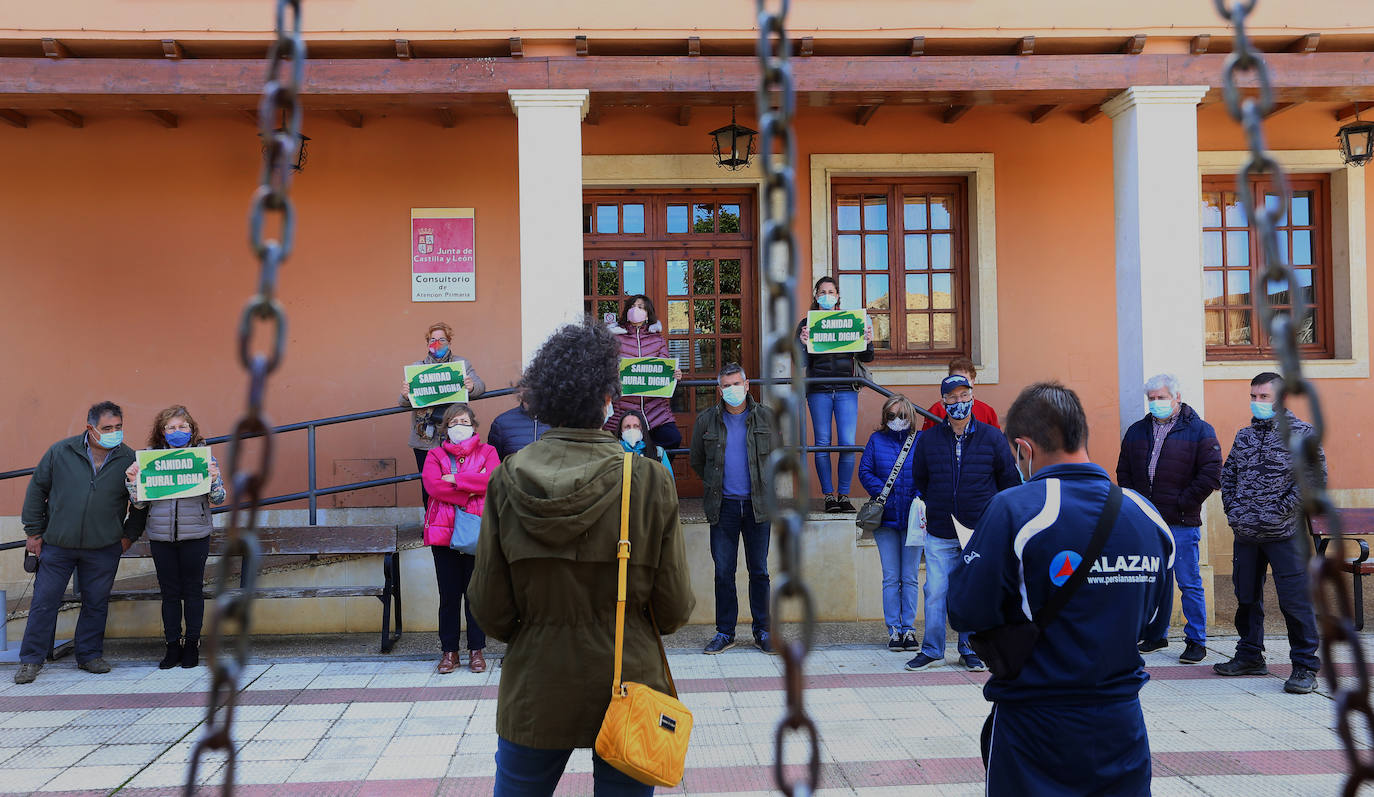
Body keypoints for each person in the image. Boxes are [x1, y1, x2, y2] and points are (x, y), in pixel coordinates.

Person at [469, 319, 694, 796]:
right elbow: (673, 608)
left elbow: (489, 607)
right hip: (625, 678)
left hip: (536, 679)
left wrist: (538, 629)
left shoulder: (506, 479)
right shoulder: (650, 480)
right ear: (608, 401)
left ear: (547, 399)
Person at [950, 382, 1175, 796]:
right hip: (1120, 726)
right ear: (1080, 436)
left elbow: (966, 610)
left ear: (1023, 450)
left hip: (1035, 726)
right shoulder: (1147, 516)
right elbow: (1154, 628)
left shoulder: (1015, 508)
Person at [15, 402, 148, 685]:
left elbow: (140, 504)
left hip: (104, 547)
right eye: (107, 428)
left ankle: (89, 655)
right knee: (43, 602)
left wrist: (127, 537)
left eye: (118, 427)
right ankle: (30, 660)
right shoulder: (61, 452)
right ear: (91, 429)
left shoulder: (131, 458)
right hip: (58, 545)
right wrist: (34, 533)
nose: (114, 433)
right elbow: (37, 490)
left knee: (96, 603)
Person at [1214, 372, 1325, 695]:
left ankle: (1304, 666)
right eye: (1253, 396)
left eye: (1264, 397)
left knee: (1295, 602)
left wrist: (1279, 511)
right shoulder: (1244, 436)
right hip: (1246, 532)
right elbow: (1229, 474)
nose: (1258, 403)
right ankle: (1250, 655)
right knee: (1246, 596)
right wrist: (1234, 510)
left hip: (1285, 533)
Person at [906, 374, 1020, 673]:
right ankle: (932, 650)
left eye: (964, 395)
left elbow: (1007, 479)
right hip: (941, 530)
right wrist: (935, 503)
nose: (960, 402)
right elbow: (920, 478)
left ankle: (970, 648)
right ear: (943, 401)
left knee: (974, 591)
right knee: (936, 591)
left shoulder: (993, 437)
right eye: (953, 397)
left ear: (973, 396)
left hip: (979, 531)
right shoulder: (929, 439)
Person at [1116, 373, 1222, 663]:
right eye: (1151, 398)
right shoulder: (1137, 431)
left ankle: (1196, 640)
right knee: (1152, 581)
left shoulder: (1200, 430)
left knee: (1188, 581)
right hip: (1146, 523)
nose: (1156, 403)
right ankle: (1154, 634)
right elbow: (1123, 470)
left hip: (1181, 522)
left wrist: (1181, 503)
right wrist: (1135, 506)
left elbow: (1211, 474)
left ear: (1177, 397)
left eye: (1161, 397)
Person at [123, 405, 226, 670]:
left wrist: (214, 479)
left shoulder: (203, 459)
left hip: (196, 535)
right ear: (162, 431)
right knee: (169, 593)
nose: (177, 431)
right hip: (160, 536)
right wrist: (133, 482)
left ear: (192, 430)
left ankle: (192, 645)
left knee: (193, 591)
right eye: (171, 427)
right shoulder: (149, 460)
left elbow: (218, 498)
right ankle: (172, 646)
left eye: (182, 427)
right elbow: (140, 504)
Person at [689, 363, 780, 655]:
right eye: (726, 386)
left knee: (760, 571)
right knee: (723, 572)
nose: (731, 390)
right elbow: (697, 461)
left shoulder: (766, 417)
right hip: (723, 506)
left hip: (758, 506)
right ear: (719, 389)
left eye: (735, 384)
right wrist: (717, 484)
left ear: (747, 383)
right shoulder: (706, 421)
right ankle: (724, 632)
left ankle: (763, 630)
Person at [421, 402, 497, 674]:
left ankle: (476, 651)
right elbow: (432, 486)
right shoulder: (434, 455)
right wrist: (469, 488)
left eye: (464, 422)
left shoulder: (488, 451)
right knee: (449, 595)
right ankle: (449, 652)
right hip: (444, 533)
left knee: (475, 595)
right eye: (453, 424)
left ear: (474, 425)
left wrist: (454, 477)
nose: (458, 428)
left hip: (477, 532)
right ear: (445, 429)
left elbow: (492, 479)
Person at [797, 276, 875, 513]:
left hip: (846, 389)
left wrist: (868, 342)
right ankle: (829, 496)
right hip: (818, 390)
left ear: (838, 295)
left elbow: (866, 357)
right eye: (823, 291)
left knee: (847, 444)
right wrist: (801, 342)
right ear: (816, 295)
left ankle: (844, 495)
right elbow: (799, 360)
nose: (827, 295)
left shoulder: (850, 321)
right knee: (822, 444)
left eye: (831, 291)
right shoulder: (806, 322)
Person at [858, 394, 923, 652]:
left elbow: (926, 473)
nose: (897, 420)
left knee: (909, 577)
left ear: (910, 416)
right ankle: (893, 630)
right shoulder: (876, 440)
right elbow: (865, 471)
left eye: (902, 415)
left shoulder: (920, 441)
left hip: (912, 519)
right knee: (891, 576)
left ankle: (909, 629)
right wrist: (884, 492)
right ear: (885, 417)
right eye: (892, 416)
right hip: (885, 519)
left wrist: (917, 495)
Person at [399, 321, 487, 507]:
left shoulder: (461, 364)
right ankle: (431, 524)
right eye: (432, 340)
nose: (437, 343)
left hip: (454, 435)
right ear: (427, 343)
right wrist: (405, 394)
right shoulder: (417, 368)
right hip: (425, 438)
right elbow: (403, 402)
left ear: (449, 342)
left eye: (442, 339)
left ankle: (458, 522)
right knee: (429, 484)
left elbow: (480, 387)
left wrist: (472, 387)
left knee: (457, 479)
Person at [605, 294, 684, 456]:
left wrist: (674, 374)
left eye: (641, 307)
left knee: (672, 438)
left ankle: (655, 473)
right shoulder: (614, 338)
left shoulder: (657, 340)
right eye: (633, 306)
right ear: (627, 311)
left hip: (655, 411)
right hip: (624, 410)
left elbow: (664, 367)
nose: (636, 310)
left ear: (648, 313)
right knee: (621, 453)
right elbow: (604, 367)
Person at [922, 357, 999, 431]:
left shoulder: (987, 411)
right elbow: (926, 440)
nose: (959, 384)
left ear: (973, 382)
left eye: (965, 380)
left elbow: (996, 440)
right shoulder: (936, 410)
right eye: (956, 380)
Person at [487, 388, 550, 461]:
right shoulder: (502, 423)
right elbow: (493, 464)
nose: (531, 387)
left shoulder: (560, 419)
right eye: (526, 382)